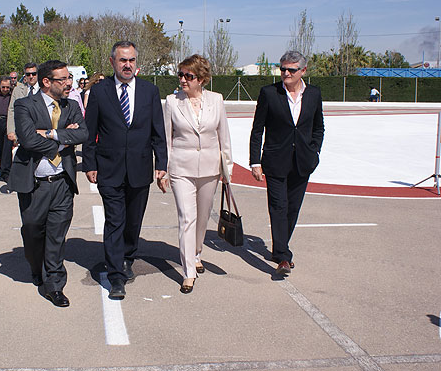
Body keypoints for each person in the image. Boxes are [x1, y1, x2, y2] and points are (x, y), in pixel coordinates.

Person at [82, 40, 168, 299]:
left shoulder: (149, 91)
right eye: (122, 60)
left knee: (133, 221)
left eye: (131, 60)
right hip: (110, 168)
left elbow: (158, 131)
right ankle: (116, 275)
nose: (127, 65)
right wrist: (90, 163)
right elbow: (90, 132)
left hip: (140, 168)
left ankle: (128, 255)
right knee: (115, 221)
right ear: (112, 62)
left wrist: (161, 164)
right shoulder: (100, 92)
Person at [11, 60, 88, 307]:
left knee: (57, 236)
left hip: (62, 182)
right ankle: (37, 266)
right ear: (47, 82)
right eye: (63, 79)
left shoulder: (72, 105)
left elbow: (83, 134)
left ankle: (54, 285)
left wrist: (51, 133)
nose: (69, 84)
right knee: (33, 231)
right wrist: (64, 139)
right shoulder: (25, 105)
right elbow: (27, 139)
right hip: (35, 184)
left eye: (69, 79)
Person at [161, 54, 233, 293]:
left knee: (202, 218)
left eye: (188, 76)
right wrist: (163, 171)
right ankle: (188, 272)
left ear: (201, 79)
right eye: (180, 74)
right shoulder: (172, 102)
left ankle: (197, 252)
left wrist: (227, 171)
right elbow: (167, 140)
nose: (182, 79)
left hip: (210, 169)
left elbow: (224, 137)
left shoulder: (217, 100)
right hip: (181, 168)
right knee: (186, 218)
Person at [249, 51, 324, 275]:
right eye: (283, 69)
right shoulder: (269, 93)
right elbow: (257, 129)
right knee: (278, 207)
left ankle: (278, 247)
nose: (286, 73)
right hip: (275, 161)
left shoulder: (313, 94)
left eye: (291, 70)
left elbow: (318, 127)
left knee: (293, 208)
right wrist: (255, 161)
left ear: (303, 71)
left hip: (303, 161)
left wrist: (315, 152)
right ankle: (283, 256)